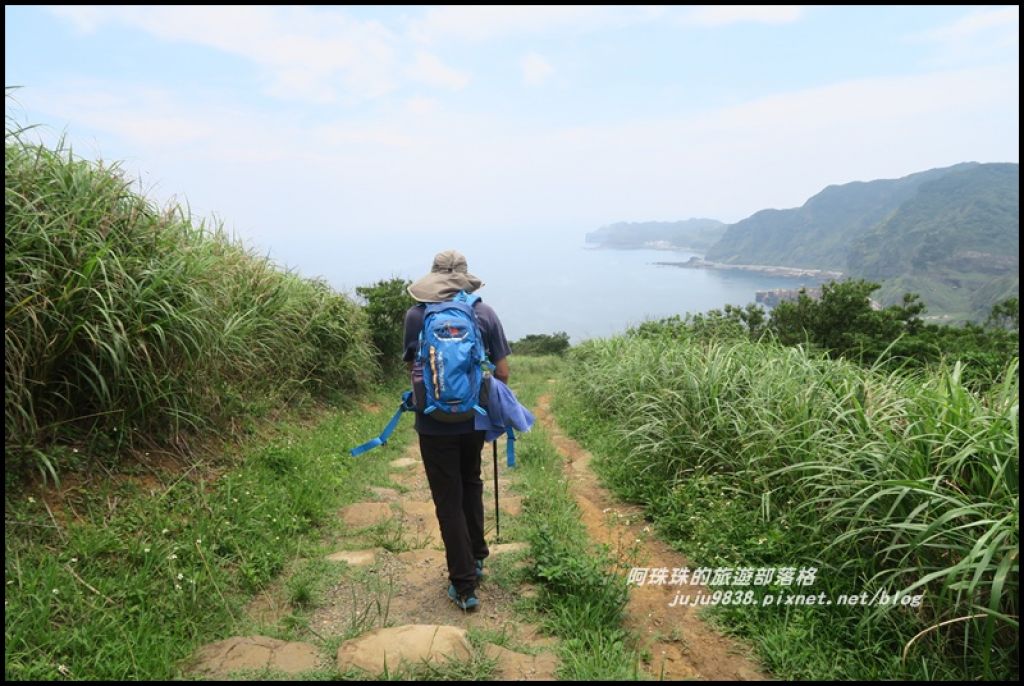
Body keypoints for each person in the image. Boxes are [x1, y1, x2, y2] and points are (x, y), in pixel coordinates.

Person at [403, 250, 511, 611]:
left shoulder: (416, 316)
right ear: (466, 277)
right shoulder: (484, 313)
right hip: (473, 418)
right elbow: (503, 371)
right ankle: (477, 557)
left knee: (447, 498)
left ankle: (463, 586)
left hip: (433, 423)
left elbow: (413, 369)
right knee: (471, 482)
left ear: (432, 277)